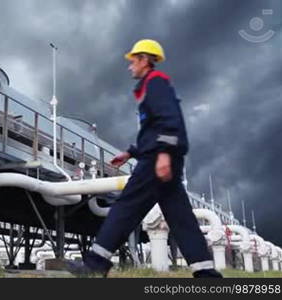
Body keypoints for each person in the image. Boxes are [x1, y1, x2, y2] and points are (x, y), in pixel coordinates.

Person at [66, 39, 222, 278]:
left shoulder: (155, 83)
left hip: (156, 161)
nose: (130, 66)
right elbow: (152, 130)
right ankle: (206, 274)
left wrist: (162, 155)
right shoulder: (150, 87)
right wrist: (130, 152)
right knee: (181, 219)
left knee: (126, 207)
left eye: (132, 61)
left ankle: (95, 264)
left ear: (144, 60)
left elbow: (169, 120)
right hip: (158, 156)